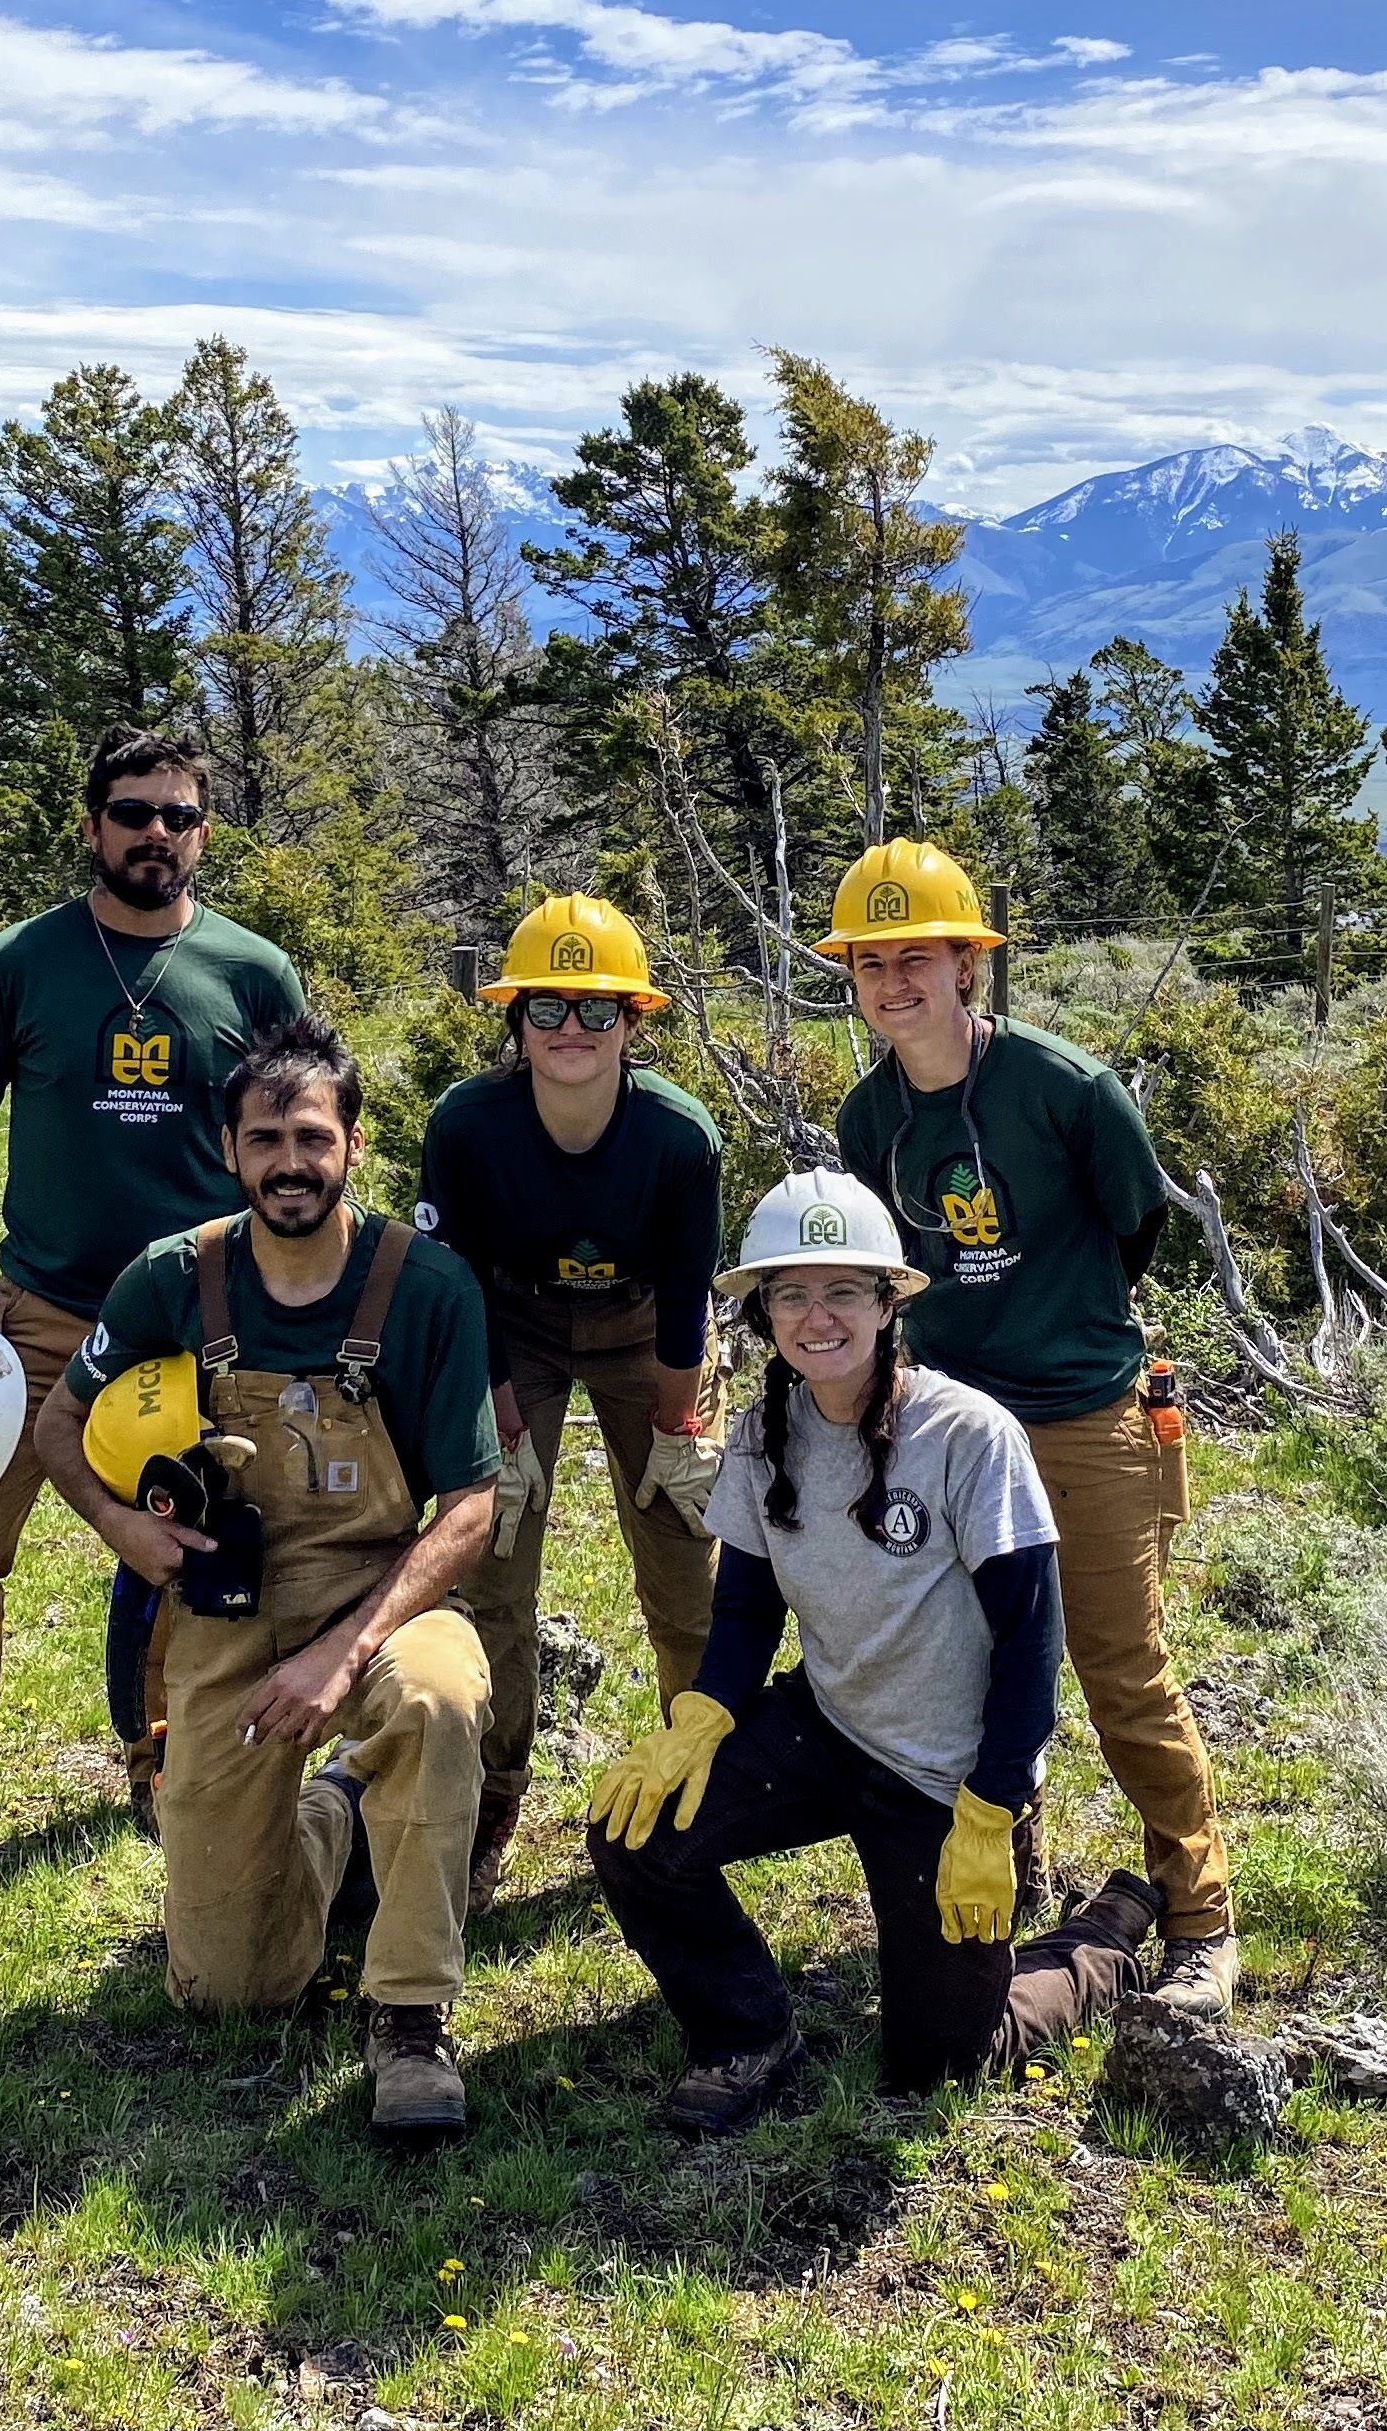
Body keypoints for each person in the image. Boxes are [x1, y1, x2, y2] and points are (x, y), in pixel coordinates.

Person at [586, 1170, 1159, 2134]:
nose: (818, 1317)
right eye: (791, 1292)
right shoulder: (769, 1432)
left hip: (949, 1778)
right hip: (829, 1726)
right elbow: (746, 1607)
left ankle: (1103, 1936)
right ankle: (747, 2033)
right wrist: (703, 1714)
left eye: (845, 1290)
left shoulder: (969, 1435)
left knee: (946, 2065)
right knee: (633, 1835)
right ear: (763, 1309)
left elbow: (1030, 1640)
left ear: (890, 1301)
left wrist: (992, 1803)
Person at [0, 729, 306, 1896]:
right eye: (133, 811)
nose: (157, 833)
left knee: (187, 1561)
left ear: (204, 831)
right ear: (91, 824)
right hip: (36, 1326)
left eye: (179, 815)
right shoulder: (20, 962)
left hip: (194, 1326)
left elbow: (301, 1136)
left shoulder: (255, 974)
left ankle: (167, 1771)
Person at [37, 1015, 504, 2137]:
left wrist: (341, 1657)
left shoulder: (428, 1287)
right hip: (229, 1614)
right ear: (229, 1149)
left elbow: (473, 1510)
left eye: (311, 1135)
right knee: (229, 1990)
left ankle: (411, 2022)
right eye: (264, 1139)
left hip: (388, 1602)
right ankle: (337, 1814)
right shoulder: (173, 1278)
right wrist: (120, 1528)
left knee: (438, 1702)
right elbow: (57, 1423)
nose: (289, 1163)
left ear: (351, 1143)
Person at [821, 838, 1238, 2013]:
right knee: (975, 1661)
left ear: (969, 964)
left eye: (917, 957)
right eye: (869, 964)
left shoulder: (1066, 1089)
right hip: (953, 1424)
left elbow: (1132, 1222)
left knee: (1121, 1669)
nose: (893, 983)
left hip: (1085, 1414)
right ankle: (1010, 1865)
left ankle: (1200, 1917)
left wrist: (1061, 1323)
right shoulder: (871, 1120)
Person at [412, 893, 723, 1910]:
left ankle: (697, 1779)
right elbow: (454, 1282)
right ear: (514, 1019)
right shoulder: (467, 1125)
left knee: (686, 1564)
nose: (571, 1031)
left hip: (646, 1332)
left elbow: (686, 1302)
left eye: (598, 1010)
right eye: (548, 1007)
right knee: (494, 1561)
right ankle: (497, 1790)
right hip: (514, 1326)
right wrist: (500, 1423)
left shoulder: (679, 1137)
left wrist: (679, 1430)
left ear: (635, 1022)